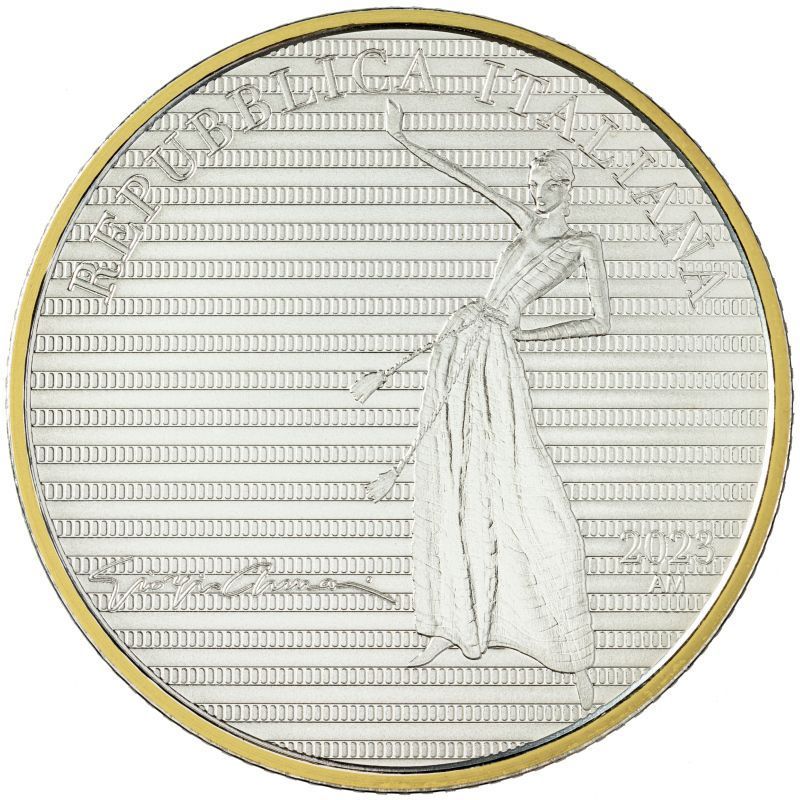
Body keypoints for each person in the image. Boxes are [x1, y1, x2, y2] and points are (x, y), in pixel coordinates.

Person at [350, 99, 611, 710]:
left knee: (522, 484)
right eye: (532, 184)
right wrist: (402, 139)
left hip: (496, 356)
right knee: (454, 477)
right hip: (463, 341)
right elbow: (464, 176)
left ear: (568, 186)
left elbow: (600, 321)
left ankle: (575, 660)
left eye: (546, 184)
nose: (536, 194)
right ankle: (453, 624)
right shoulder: (523, 221)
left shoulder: (583, 243)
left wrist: (527, 336)